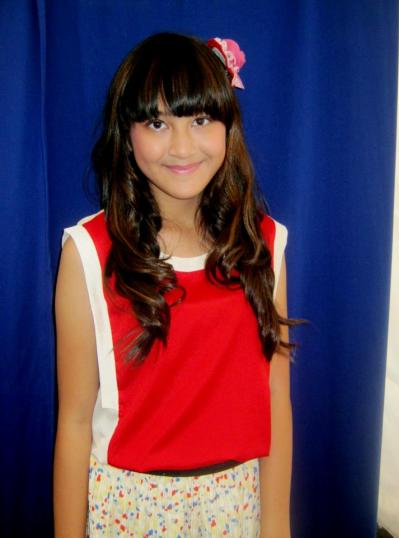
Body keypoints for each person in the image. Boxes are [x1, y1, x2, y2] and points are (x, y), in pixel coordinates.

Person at [53, 32, 293, 538]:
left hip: (235, 505)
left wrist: (276, 524)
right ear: (127, 133)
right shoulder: (89, 253)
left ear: (228, 126)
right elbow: (74, 421)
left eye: (200, 120)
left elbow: (275, 396)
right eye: (157, 123)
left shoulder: (263, 245)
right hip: (128, 508)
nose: (182, 146)